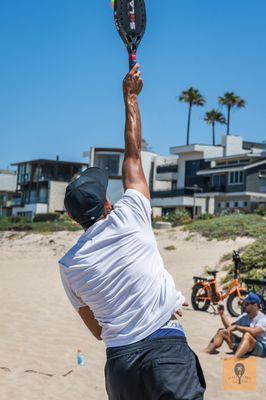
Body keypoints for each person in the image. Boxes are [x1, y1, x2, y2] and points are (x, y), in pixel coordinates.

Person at [59, 64, 206, 400]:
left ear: (71, 218)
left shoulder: (68, 266)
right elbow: (133, 153)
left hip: (120, 365)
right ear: (108, 205)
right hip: (165, 350)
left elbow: (98, 331)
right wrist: (130, 97)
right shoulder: (130, 214)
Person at [204, 293, 266, 358]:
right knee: (222, 331)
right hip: (245, 344)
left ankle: (234, 358)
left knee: (247, 335)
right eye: (244, 303)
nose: (244, 306)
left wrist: (237, 327)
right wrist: (222, 314)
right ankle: (207, 351)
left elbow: (254, 332)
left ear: (255, 305)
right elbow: (230, 327)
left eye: (247, 304)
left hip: (261, 349)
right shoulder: (244, 316)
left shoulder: (263, 319)